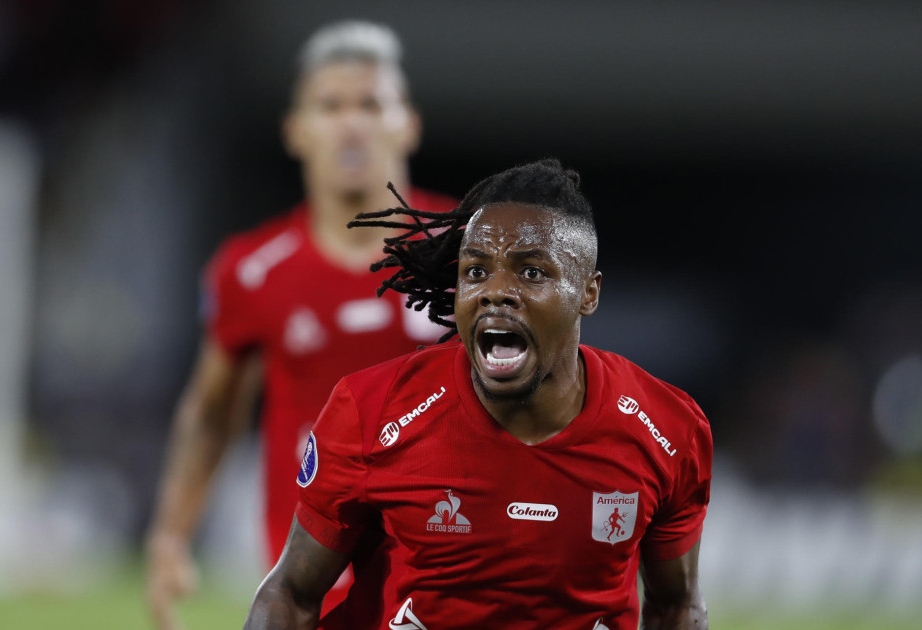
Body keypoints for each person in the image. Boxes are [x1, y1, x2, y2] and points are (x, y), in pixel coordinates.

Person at [243, 158, 713, 630]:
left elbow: (676, 605)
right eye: (476, 271)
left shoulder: (668, 429)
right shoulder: (372, 411)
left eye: (531, 273)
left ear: (587, 295)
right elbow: (291, 593)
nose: (496, 292)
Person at [144, 20, 458, 630]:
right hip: (309, 571)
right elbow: (213, 413)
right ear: (296, 130)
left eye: (371, 103)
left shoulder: (465, 251)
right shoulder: (253, 271)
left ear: (407, 122)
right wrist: (169, 539)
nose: (351, 123)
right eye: (330, 105)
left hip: (445, 554)